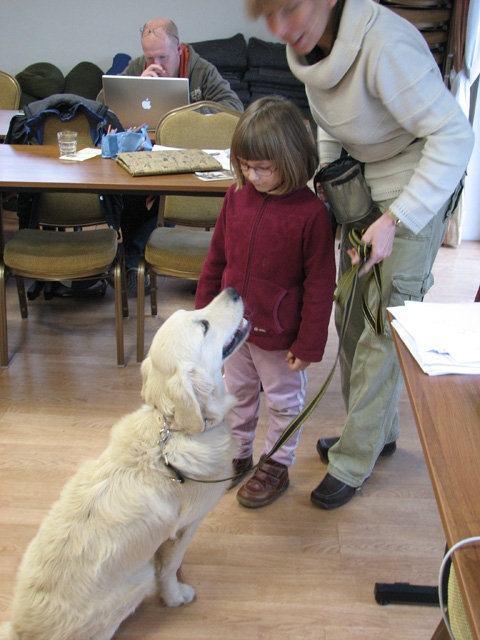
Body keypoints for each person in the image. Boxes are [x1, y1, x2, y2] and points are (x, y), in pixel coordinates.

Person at [246, 0, 475, 509]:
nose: (280, 28)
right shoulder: (310, 51)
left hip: (413, 186)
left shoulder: (385, 45)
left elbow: (456, 137)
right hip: (359, 187)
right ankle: (377, 432)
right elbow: (331, 122)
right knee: (349, 315)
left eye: (290, 8)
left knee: (380, 328)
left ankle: (354, 459)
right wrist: (325, 182)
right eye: (269, 15)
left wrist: (397, 219)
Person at [195, 96, 336, 508]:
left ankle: (276, 464)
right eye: (244, 165)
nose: (250, 175)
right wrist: (204, 316)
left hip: (281, 338)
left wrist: (309, 344)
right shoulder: (235, 197)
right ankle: (238, 453)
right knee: (236, 394)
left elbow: (320, 285)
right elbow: (216, 259)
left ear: (290, 160)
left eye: (261, 167)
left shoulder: (312, 214)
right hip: (234, 331)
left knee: (283, 402)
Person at [97, 18, 244, 294]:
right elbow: (101, 107)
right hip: (144, 155)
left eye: (163, 57)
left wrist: (185, 119)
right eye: (149, 57)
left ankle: (134, 259)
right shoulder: (138, 68)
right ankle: (131, 261)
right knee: (129, 186)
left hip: (187, 158)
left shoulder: (201, 71)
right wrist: (134, 88)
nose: (156, 64)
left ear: (179, 49)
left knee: (161, 192)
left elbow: (233, 108)